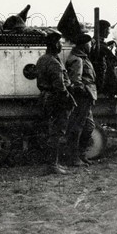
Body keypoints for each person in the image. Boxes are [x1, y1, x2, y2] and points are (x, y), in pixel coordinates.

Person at [35, 30, 74, 175]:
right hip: (56, 99)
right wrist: (68, 99)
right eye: (59, 42)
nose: (61, 45)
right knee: (57, 133)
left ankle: (52, 164)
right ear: (54, 44)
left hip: (46, 98)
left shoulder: (42, 59)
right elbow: (60, 86)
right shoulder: (53, 62)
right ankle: (53, 165)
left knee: (51, 131)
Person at [66, 32, 97, 166]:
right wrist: (85, 92)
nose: (91, 46)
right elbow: (75, 81)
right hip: (82, 98)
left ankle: (81, 155)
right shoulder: (77, 60)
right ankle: (74, 158)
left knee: (89, 126)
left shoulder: (82, 57)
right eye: (89, 44)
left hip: (87, 97)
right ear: (84, 45)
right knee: (77, 127)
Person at [91, 20, 117, 96]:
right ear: (104, 30)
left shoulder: (93, 42)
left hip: (98, 74)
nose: (109, 32)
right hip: (102, 78)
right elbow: (116, 61)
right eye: (108, 30)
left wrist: (107, 45)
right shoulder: (101, 46)